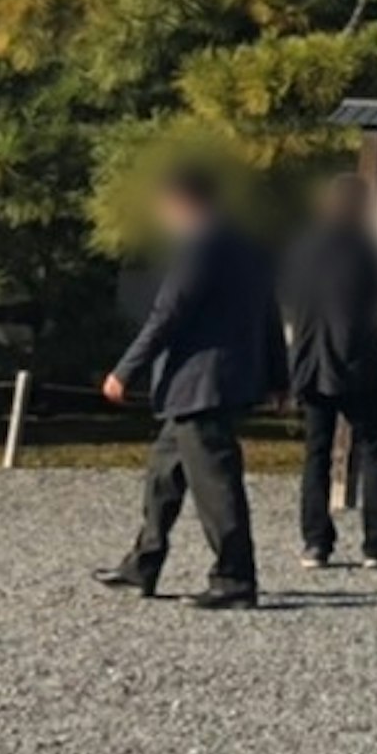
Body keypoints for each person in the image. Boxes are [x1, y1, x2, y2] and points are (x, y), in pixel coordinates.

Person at [95, 164, 286, 610]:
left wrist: (125, 370)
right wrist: (278, 374)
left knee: (216, 485)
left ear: (180, 202)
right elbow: (269, 313)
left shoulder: (202, 246)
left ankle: (235, 578)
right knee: (164, 477)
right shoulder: (247, 244)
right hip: (210, 383)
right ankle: (143, 562)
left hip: (201, 383)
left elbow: (169, 313)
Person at [280, 172, 377, 573]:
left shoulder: (301, 247)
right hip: (361, 358)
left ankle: (315, 543)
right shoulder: (369, 248)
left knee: (316, 453)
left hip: (311, 357)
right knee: (373, 449)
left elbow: (286, 297)